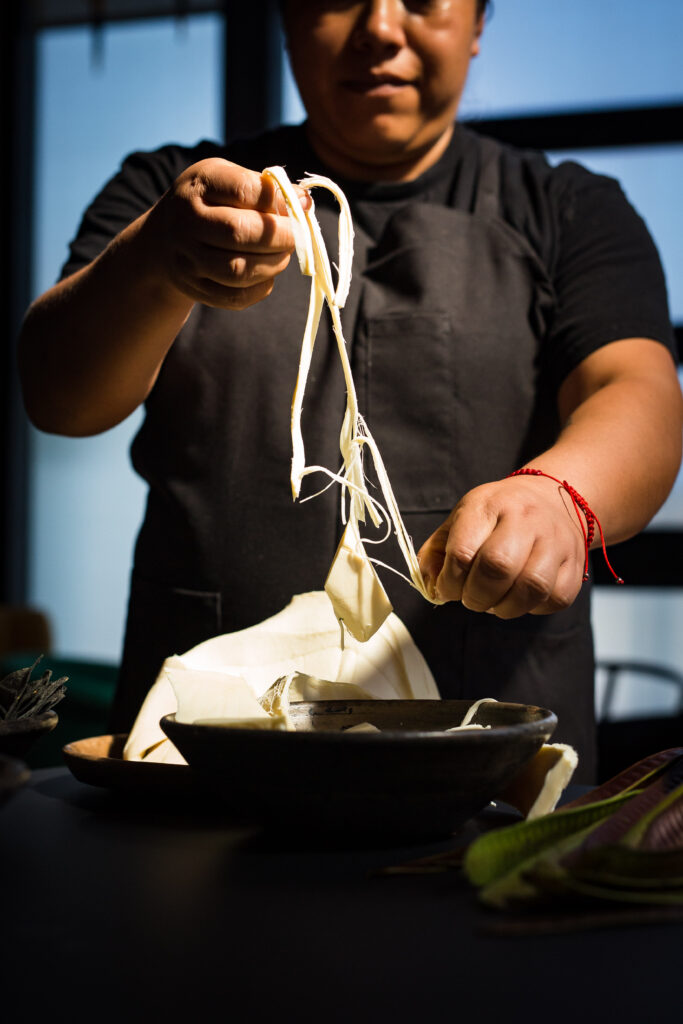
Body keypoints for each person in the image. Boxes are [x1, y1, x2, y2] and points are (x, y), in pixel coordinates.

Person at [18, 0, 682, 781]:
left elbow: (634, 390)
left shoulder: (567, 210)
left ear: (475, 25)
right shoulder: (171, 195)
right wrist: (157, 261)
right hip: (201, 757)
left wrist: (560, 495)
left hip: (482, 765)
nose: (379, 27)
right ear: (287, 20)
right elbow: (60, 397)